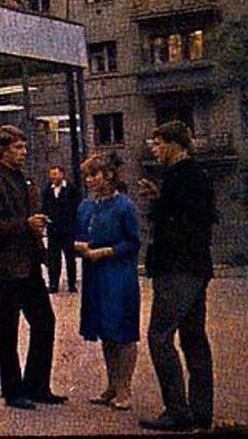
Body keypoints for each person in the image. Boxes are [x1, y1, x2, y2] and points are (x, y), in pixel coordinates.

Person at [0, 125, 66, 410]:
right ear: (3, 150)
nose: (24, 152)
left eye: (24, 147)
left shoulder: (24, 180)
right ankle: (13, 391)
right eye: (18, 147)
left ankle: (37, 385)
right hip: (6, 268)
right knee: (8, 331)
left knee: (45, 322)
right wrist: (24, 225)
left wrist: (36, 229)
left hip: (28, 265)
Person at [137, 121, 217, 432]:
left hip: (176, 269)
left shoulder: (179, 176)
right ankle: (201, 411)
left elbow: (178, 223)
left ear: (175, 144)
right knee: (194, 338)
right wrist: (160, 198)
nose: (154, 150)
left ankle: (177, 411)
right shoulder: (196, 175)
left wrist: (159, 205)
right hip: (196, 266)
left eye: (158, 144)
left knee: (160, 336)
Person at [74, 153, 141, 412]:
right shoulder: (85, 206)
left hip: (118, 274)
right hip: (95, 275)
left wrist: (106, 251)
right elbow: (79, 235)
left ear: (109, 175)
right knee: (106, 331)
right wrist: (79, 246)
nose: (89, 180)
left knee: (123, 330)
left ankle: (125, 388)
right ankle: (112, 385)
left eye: (94, 174)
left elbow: (133, 242)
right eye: (87, 176)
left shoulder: (124, 205)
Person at [40, 166, 79, 293]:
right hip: (53, 229)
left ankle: (71, 284)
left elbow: (75, 207)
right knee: (53, 258)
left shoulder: (71, 189)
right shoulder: (48, 190)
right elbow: (44, 206)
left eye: (55, 174)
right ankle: (53, 284)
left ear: (61, 174)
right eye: (51, 175)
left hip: (67, 229)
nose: (53, 177)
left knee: (70, 257)